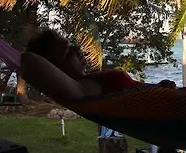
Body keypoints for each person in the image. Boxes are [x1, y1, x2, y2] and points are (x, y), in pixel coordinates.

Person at [21, 29, 176, 101]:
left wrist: (158, 87)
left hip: (165, 98)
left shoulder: (88, 80)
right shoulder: (80, 88)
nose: (77, 49)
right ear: (55, 67)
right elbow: (29, 60)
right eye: (67, 52)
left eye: (72, 45)